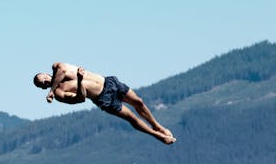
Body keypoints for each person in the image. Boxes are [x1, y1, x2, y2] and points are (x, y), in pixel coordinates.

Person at [33, 62, 175, 144]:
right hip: (103, 98)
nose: (45, 81)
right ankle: (157, 135)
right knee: (131, 117)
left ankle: (158, 126)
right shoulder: (58, 93)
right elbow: (80, 99)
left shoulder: (58, 67)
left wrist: (50, 90)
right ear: (43, 88)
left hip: (109, 82)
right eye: (43, 84)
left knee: (139, 101)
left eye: (43, 78)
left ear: (46, 73)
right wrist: (80, 81)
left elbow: (62, 69)